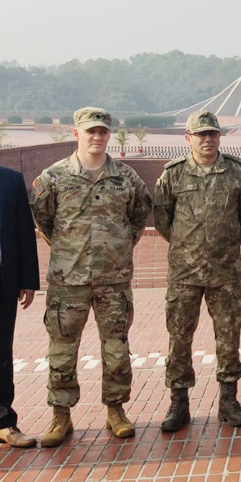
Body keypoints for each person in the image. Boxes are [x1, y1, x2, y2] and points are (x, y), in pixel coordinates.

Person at [30, 107, 151, 447]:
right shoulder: (53, 178)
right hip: (68, 281)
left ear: (109, 134)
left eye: (102, 131)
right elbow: (44, 220)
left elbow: (139, 217)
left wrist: (118, 249)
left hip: (113, 280)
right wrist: (72, 250)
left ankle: (116, 410)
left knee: (116, 348)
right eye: (90, 131)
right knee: (62, 350)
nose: (97, 137)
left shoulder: (126, 178)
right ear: (76, 133)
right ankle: (61, 416)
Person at [154, 110, 241, 432]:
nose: (207, 139)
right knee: (179, 338)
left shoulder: (237, 173)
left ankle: (228, 401)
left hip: (224, 271)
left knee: (228, 337)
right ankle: (179, 403)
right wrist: (188, 247)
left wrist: (223, 245)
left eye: (212, 134)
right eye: (201, 134)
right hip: (184, 273)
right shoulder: (172, 175)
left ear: (219, 137)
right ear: (188, 138)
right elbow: (163, 220)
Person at [0, 166, 40, 448]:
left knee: (2, 354)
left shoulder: (11, 181)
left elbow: (25, 231)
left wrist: (27, 280)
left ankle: (3, 423)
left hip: (4, 281)